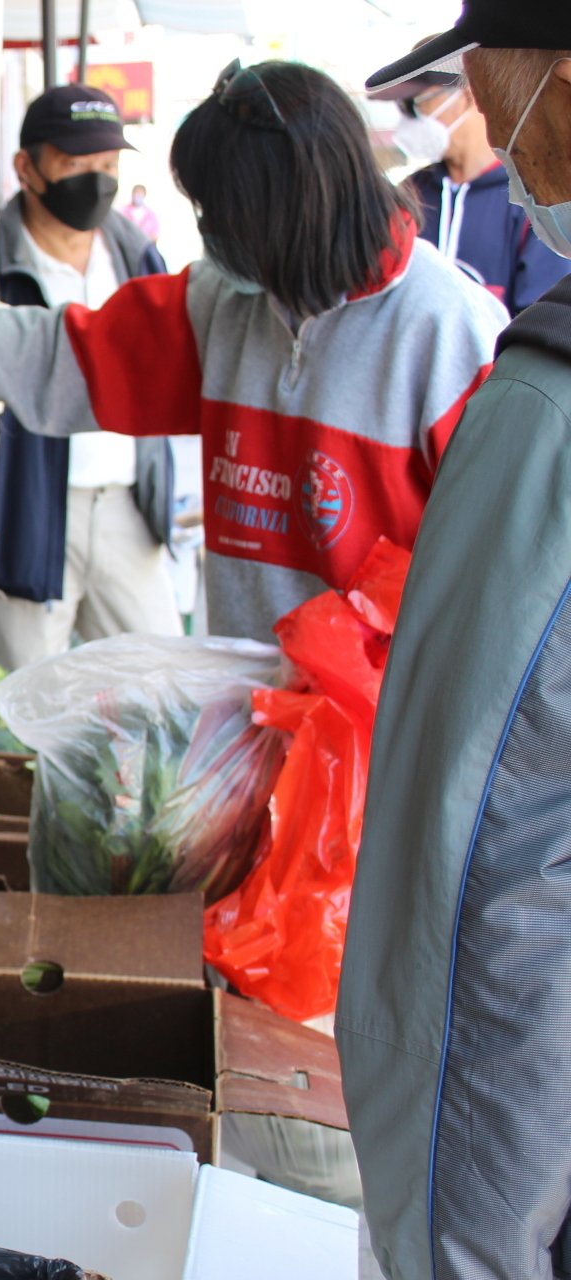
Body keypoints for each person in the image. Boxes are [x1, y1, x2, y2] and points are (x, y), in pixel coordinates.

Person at [0, 61, 506, 645]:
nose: (209, 234)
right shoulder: (223, 304)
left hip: (378, 738)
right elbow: (62, 353)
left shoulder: (448, 335)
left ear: (286, 209)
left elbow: (496, 589)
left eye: (222, 214)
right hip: (251, 713)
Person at [342, 9, 571, 1278]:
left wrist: (449, 1241)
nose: (488, 127)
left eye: (489, 88)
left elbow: (475, 862)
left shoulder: (543, 406)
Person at [0, 85, 180, 671]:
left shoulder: (138, 259)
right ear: (26, 167)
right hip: (20, 516)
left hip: (126, 509)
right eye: (76, 164)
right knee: (21, 690)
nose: (97, 180)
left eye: (108, 165)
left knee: (159, 686)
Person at [373, 40, 571, 315]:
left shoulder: (530, 196)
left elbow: (543, 314)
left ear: (470, 95)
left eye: (416, 103)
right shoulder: (409, 192)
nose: (409, 119)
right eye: (402, 108)